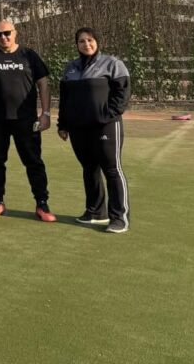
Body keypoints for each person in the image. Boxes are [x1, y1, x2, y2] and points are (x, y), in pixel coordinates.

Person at [0, 21, 55, 222]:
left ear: (15, 33)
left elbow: (43, 84)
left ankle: (42, 203)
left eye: (6, 33)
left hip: (26, 120)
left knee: (33, 162)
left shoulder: (29, 55)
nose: (3, 37)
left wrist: (46, 113)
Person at [57, 27, 131, 234]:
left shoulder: (112, 64)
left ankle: (119, 218)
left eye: (90, 40)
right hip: (78, 128)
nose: (86, 44)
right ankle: (96, 212)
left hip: (106, 126)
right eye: (81, 41)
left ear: (97, 41)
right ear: (77, 45)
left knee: (112, 169)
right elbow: (65, 99)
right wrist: (63, 124)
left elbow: (123, 93)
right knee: (89, 168)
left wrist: (107, 115)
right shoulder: (71, 69)